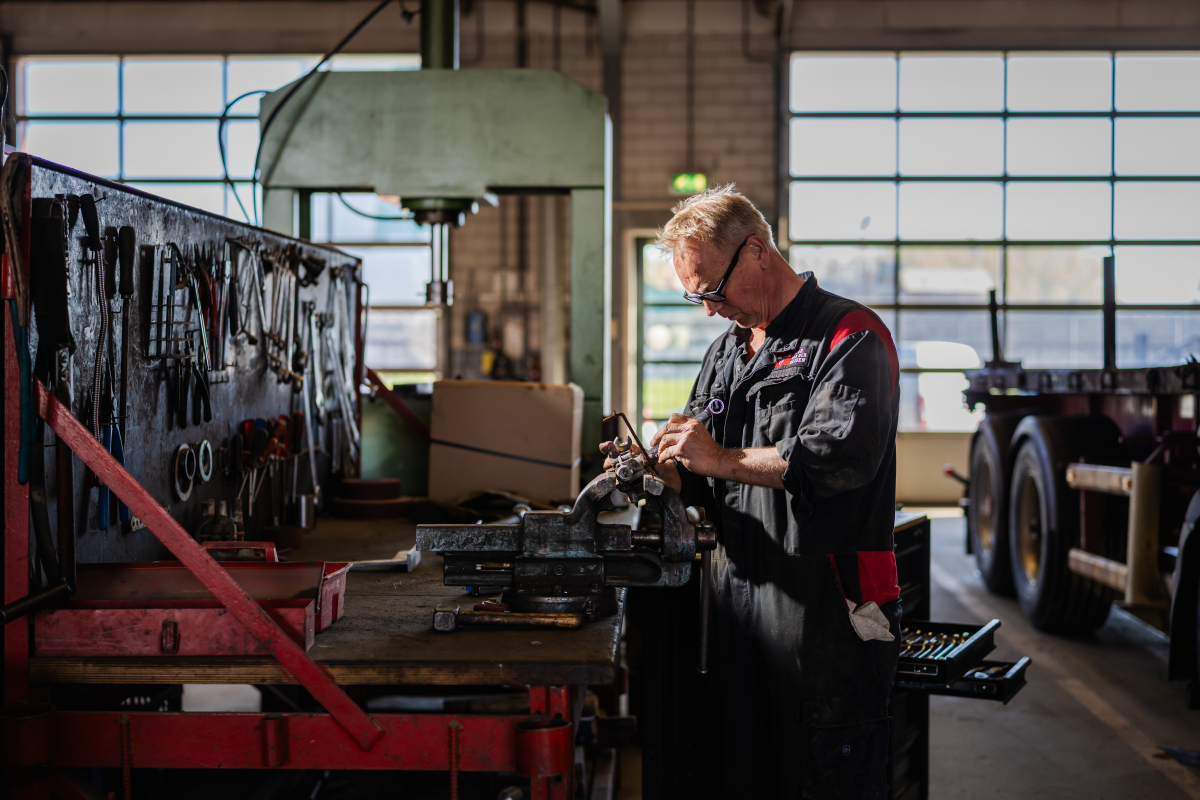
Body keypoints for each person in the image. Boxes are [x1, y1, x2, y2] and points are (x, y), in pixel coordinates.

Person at [649, 184, 901, 798]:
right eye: (695, 295)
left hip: (828, 619)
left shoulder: (851, 336)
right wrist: (667, 468)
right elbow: (703, 470)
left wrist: (715, 456)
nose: (708, 307)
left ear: (756, 251)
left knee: (821, 776)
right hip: (740, 608)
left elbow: (834, 461)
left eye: (712, 288)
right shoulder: (726, 352)